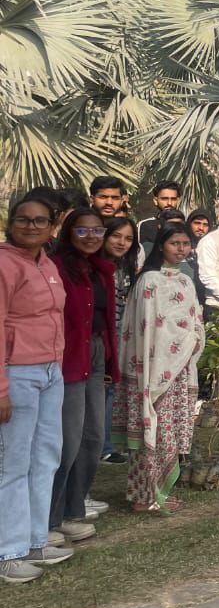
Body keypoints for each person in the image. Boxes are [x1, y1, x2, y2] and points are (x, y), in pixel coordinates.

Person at [0, 194, 73, 584]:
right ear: (10, 222)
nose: (30, 226)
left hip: (50, 372)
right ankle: (8, 551)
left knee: (45, 457)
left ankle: (33, 540)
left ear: (51, 227)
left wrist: (56, 367)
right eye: (23, 219)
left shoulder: (47, 263)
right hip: (17, 373)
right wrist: (1, 389)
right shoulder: (4, 263)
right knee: (12, 463)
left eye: (40, 221)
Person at [113, 225, 206, 514]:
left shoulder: (186, 281)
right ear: (161, 246)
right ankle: (144, 496)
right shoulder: (149, 281)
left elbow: (195, 319)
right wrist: (183, 341)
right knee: (152, 428)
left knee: (169, 430)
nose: (181, 248)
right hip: (153, 368)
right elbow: (149, 328)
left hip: (179, 368)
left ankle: (157, 493)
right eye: (175, 243)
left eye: (185, 243)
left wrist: (193, 340)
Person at [49, 207, 120, 544]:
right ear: (69, 233)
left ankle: (72, 511)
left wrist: (109, 362)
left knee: (93, 438)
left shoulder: (101, 270)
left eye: (97, 230)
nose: (91, 236)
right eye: (82, 230)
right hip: (68, 360)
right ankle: (49, 519)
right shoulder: (57, 267)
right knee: (67, 441)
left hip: (95, 357)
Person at [99, 216, 140, 466]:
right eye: (116, 236)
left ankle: (107, 445)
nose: (122, 242)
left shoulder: (124, 266)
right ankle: (102, 446)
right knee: (102, 390)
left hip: (118, 336)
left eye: (128, 238)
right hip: (99, 337)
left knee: (111, 389)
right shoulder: (95, 265)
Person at [136, 181, 183, 245]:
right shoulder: (144, 226)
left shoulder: (186, 226)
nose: (169, 203)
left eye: (173, 199)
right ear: (156, 201)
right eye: (164, 199)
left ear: (178, 201)